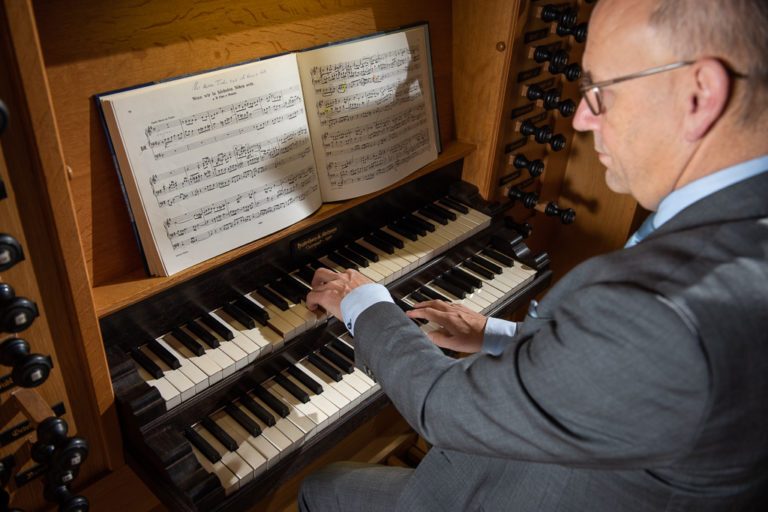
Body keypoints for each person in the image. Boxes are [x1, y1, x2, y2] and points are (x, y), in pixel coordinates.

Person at [299, 0, 768, 509]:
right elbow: (635, 368)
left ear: (699, 94)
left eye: (600, 90)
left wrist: (363, 303)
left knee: (323, 488)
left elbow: (443, 407)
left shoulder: (670, 304)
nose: (583, 119)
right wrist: (496, 335)